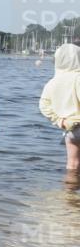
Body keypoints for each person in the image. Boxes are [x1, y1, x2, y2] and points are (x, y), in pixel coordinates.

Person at [39, 42, 80, 172]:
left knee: (72, 164)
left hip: (70, 128)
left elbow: (43, 105)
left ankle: (68, 192)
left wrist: (59, 121)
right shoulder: (78, 78)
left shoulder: (52, 82)